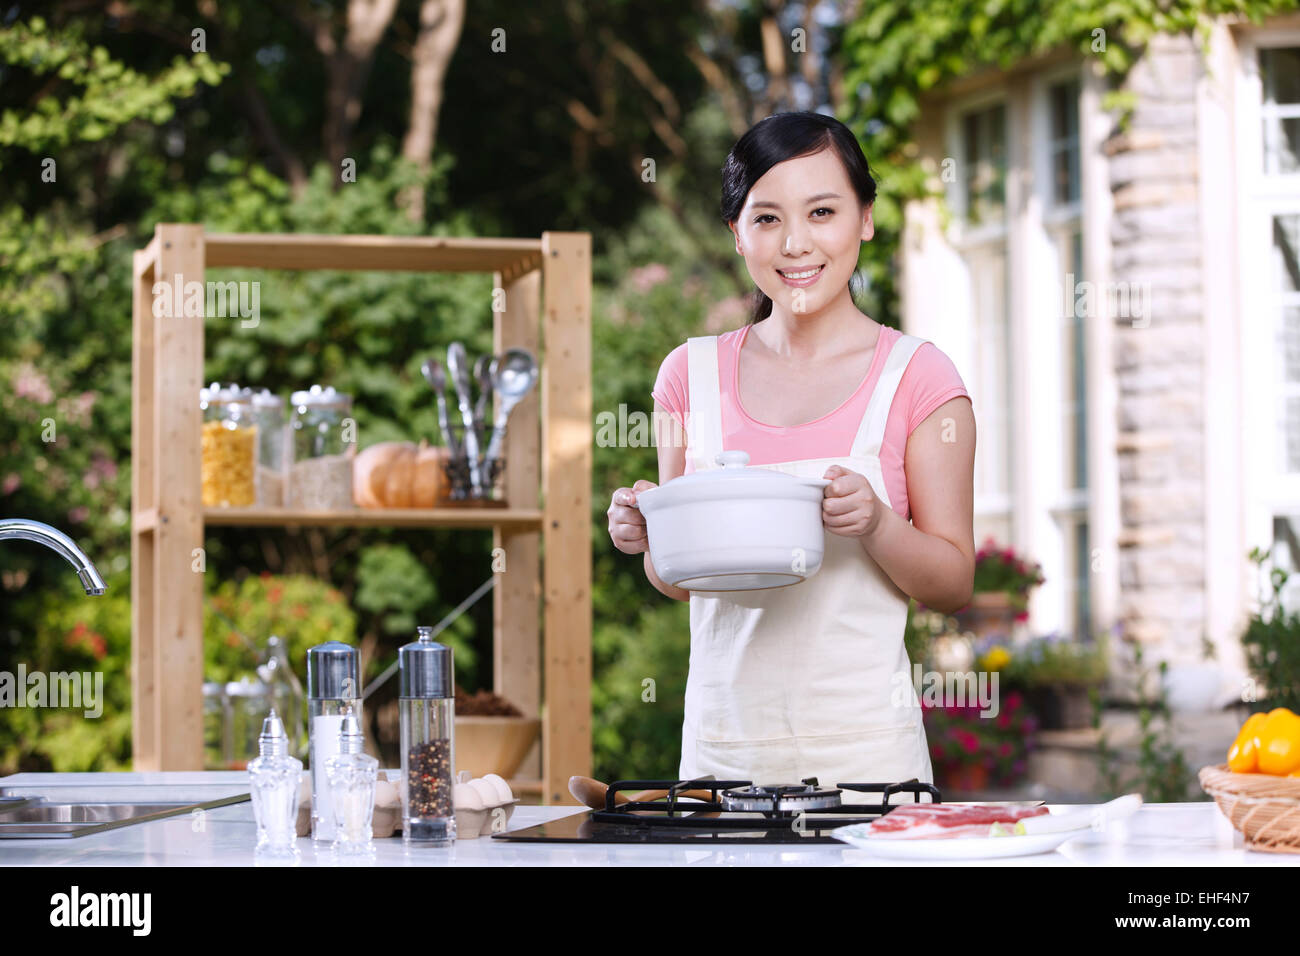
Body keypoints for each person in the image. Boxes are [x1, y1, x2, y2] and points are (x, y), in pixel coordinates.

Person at [607, 111, 976, 791]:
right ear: (736, 235)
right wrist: (647, 533)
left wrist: (877, 524)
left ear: (864, 218)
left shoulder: (920, 379)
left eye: (823, 211)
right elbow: (680, 582)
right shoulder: (689, 377)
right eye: (767, 218)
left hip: (869, 768)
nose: (797, 243)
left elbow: (953, 585)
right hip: (723, 760)